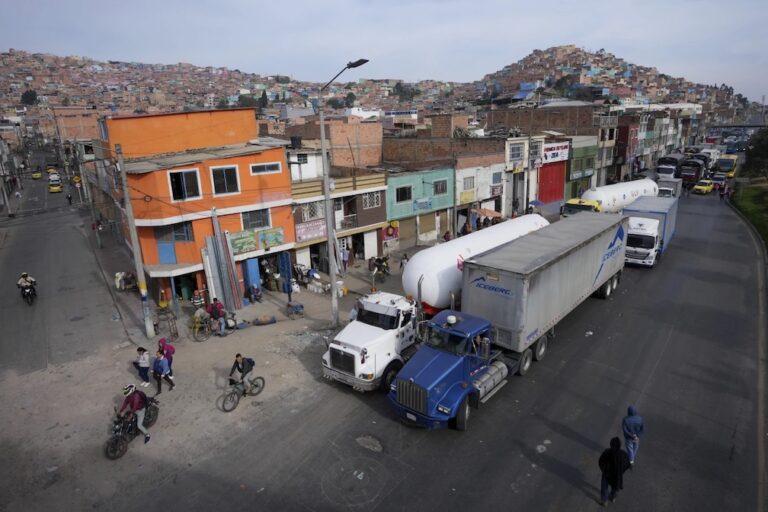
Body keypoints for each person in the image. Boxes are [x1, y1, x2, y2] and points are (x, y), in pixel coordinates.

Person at [598, 437, 631, 505]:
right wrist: (621, 471)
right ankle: (613, 497)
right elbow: (627, 464)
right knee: (615, 486)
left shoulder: (607, 452)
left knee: (604, 486)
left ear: (611, 444)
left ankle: (604, 500)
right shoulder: (623, 454)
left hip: (607, 473)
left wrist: (603, 470)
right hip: (617, 475)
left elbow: (600, 462)